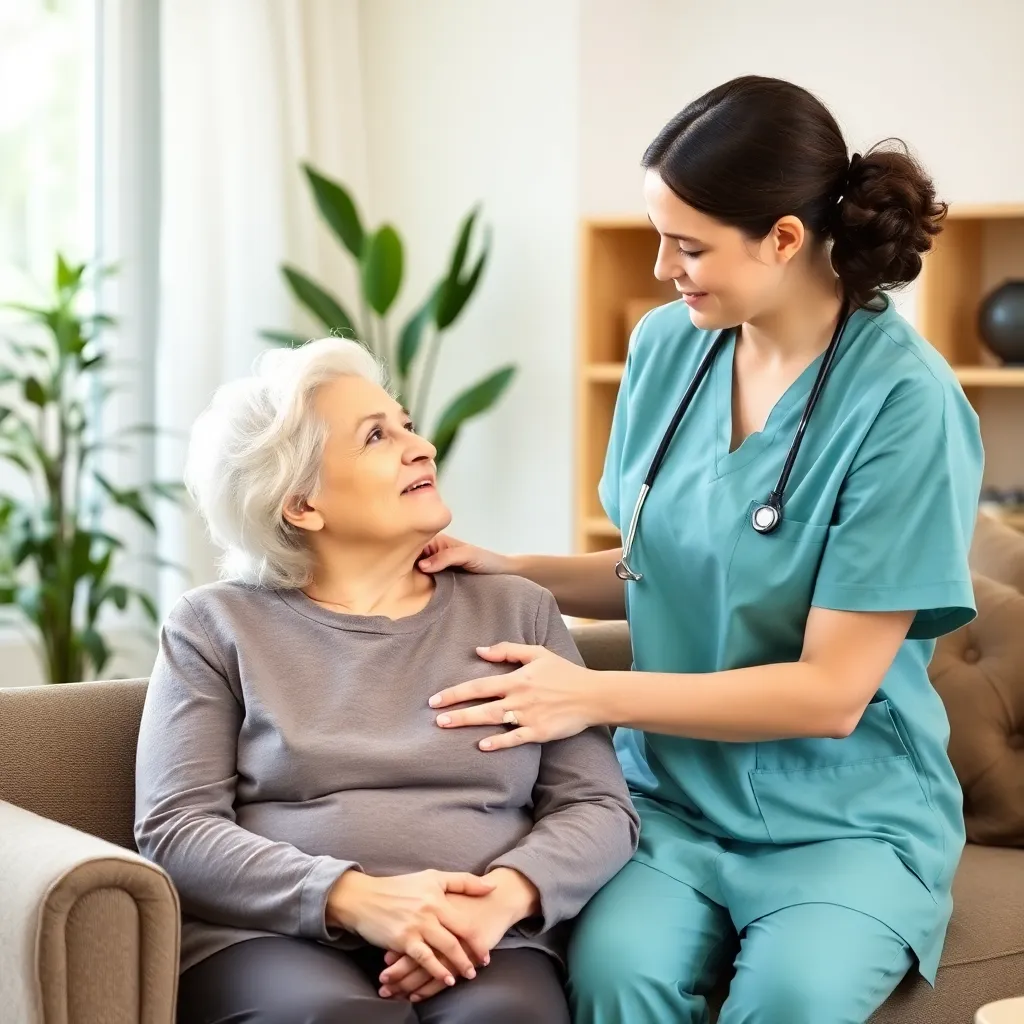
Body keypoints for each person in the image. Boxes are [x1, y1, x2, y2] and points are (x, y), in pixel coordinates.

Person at [416, 76, 985, 1024]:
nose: (660, 268)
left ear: (785, 240)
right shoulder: (665, 350)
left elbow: (830, 692)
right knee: (609, 981)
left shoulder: (905, 404)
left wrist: (589, 695)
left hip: (844, 819)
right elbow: (667, 569)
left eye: (688, 245)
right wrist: (511, 567)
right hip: (671, 802)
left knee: (791, 1002)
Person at [133, 337, 639, 1024]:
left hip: (482, 939)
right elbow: (175, 828)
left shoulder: (517, 609)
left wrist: (502, 897)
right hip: (273, 939)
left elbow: (599, 807)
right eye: (378, 436)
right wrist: (356, 898)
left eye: (405, 423)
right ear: (302, 505)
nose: (421, 446)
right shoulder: (213, 625)